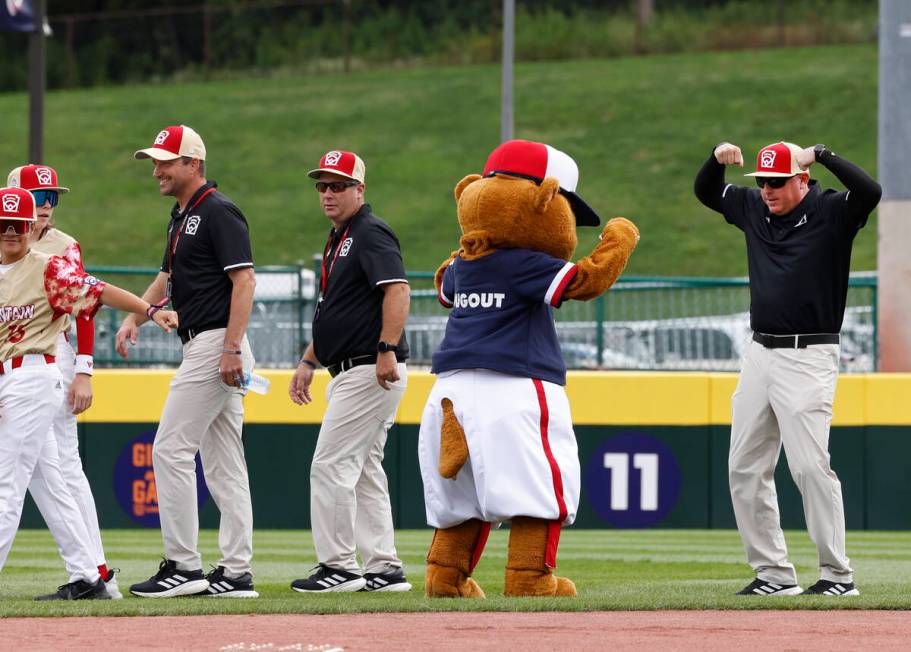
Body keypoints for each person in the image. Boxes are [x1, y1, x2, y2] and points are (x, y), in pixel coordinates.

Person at [694, 141, 881, 597]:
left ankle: (838, 576)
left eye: (777, 182)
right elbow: (706, 191)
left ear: (801, 179)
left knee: (809, 467)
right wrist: (714, 160)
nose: (767, 191)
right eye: (762, 182)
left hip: (809, 353)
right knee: (744, 466)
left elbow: (870, 191)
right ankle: (773, 575)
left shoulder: (832, 211)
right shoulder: (754, 208)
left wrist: (821, 153)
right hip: (760, 353)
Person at [0, 186, 177, 599]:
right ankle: (89, 577)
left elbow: (97, 291)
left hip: (34, 377)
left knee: (7, 482)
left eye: (17, 225)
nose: (10, 231)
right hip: (8, 379)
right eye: (2, 224)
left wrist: (148, 311)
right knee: (48, 481)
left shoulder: (47, 268)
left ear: (31, 228)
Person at [116, 125, 259, 598]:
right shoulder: (182, 214)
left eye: (165, 161)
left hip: (216, 342)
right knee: (223, 464)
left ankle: (184, 566)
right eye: (154, 161)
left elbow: (245, 283)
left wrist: (232, 347)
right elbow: (167, 274)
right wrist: (138, 315)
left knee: (170, 449)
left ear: (193, 164)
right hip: (210, 342)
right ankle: (236, 572)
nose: (156, 169)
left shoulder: (218, 210)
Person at [288, 150, 412, 593]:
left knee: (331, 465)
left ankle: (339, 566)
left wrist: (386, 348)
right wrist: (308, 360)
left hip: (368, 366)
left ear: (360, 189)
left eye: (338, 185)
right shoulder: (341, 236)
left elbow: (397, 290)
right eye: (322, 185)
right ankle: (384, 567)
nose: (327, 193)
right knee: (363, 470)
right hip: (350, 366)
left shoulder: (370, 232)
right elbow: (336, 311)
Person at [7, 164, 122, 599]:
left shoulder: (62, 244)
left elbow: (86, 305)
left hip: (54, 356)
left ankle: (95, 570)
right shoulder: (9, 239)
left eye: (53, 195)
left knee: (61, 467)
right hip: (13, 360)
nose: (49, 203)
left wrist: (84, 371)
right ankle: (93, 572)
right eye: (40, 194)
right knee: (45, 468)